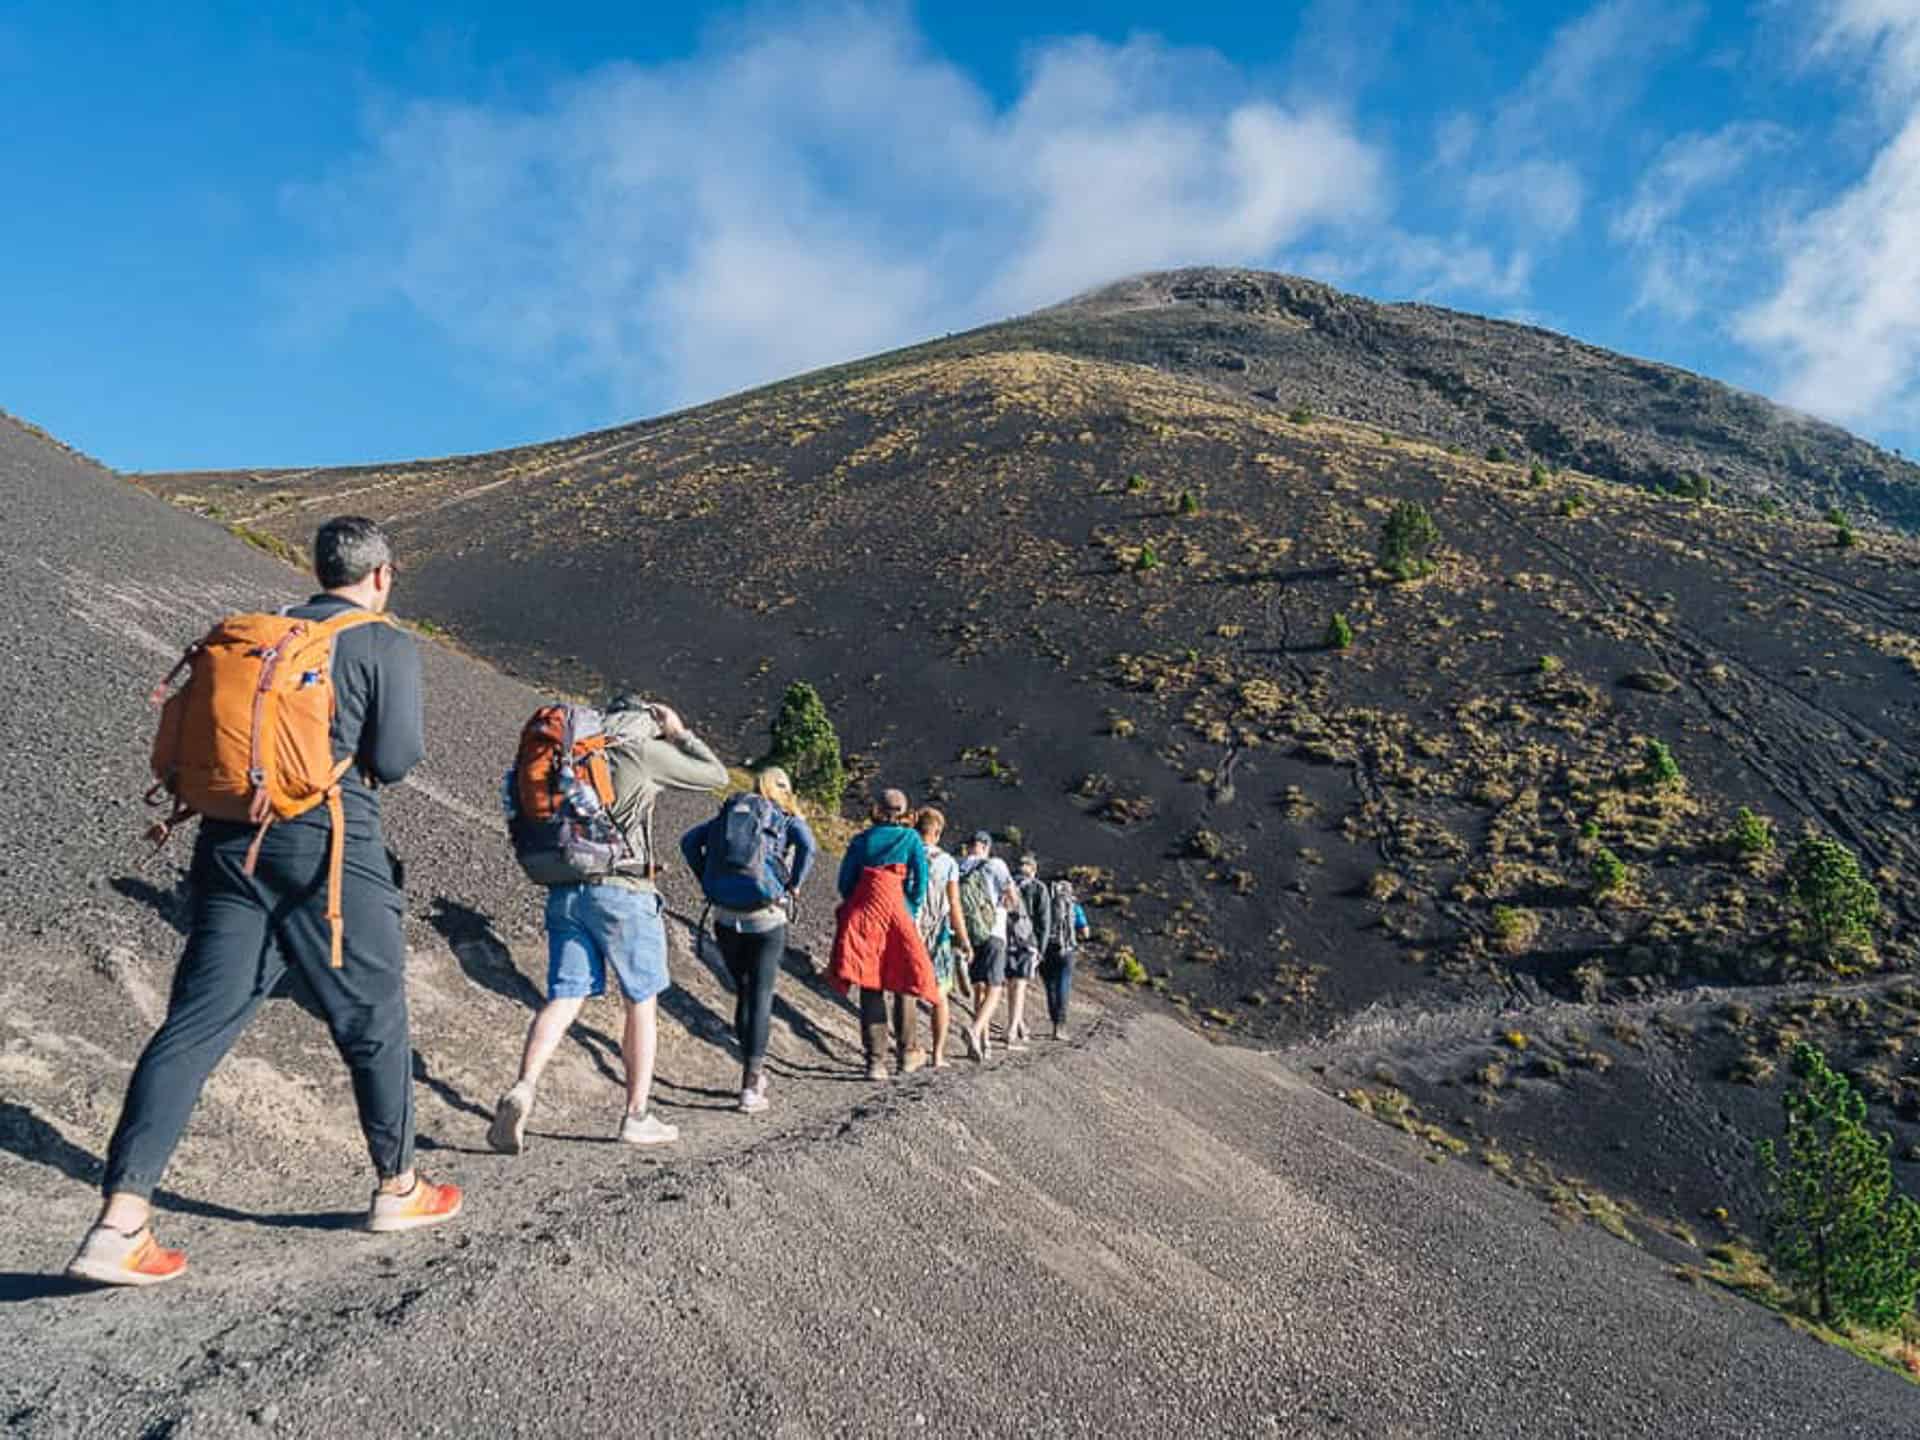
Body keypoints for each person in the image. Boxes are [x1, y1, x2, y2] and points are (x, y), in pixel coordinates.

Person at [68, 517, 457, 1288]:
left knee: (195, 1022)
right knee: (373, 1014)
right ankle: (399, 1186)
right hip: (330, 847)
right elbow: (395, 759)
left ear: (319, 570)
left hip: (228, 841)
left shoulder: (263, 633)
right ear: (382, 575)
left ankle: (119, 1223)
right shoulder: (382, 642)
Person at [489, 693, 727, 1153]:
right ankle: (636, 1114)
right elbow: (715, 775)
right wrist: (679, 733)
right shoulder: (643, 752)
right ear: (645, 721)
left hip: (565, 889)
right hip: (624, 892)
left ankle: (524, 1087)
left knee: (565, 996)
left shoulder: (574, 755)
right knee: (641, 1001)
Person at [680, 766, 817, 1114]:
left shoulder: (731, 815)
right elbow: (808, 846)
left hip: (725, 917)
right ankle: (750, 1085)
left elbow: (688, 842)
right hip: (766, 917)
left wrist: (706, 879)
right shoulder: (785, 820)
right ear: (784, 790)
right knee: (761, 995)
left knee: (743, 991)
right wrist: (794, 885)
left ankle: (750, 1072)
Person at [825, 789, 940, 1080]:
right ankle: (907, 1053)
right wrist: (909, 907)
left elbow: (845, 882)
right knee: (905, 979)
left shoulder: (862, 840)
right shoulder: (911, 839)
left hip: (865, 913)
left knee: (870, 981)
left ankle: (875, 1061)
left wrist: (860, 902)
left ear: (877, 808)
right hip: (897, 911)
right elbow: (920, 882)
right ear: (905, 811)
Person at [913, 807, 973, 1068]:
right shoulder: (947, 862)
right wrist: (964, 939)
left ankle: (908, 1048)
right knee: (940, 996)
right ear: (936, 833)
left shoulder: (906, 853)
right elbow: (954, 903)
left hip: (909, 931)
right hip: (937, 934)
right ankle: (938, 1055)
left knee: (906, 992)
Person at [958, 831, 1016, 1061]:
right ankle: (975, 1030)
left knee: (979, 987)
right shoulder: (996, 864)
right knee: (995, 987)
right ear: (986, 846)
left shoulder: (961, 866)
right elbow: (1012, 897)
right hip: (994, 932)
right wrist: (1007, 905)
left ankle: (983, 1042)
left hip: (970, 934)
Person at [1007, 853, 1053, 1050]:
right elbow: (1044, 922)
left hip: (1007, 939)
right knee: (1020, 985)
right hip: (1028, 941)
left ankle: (1017, 1024)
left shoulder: (1008, 883)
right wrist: (1041, 949)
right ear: (1034, 870)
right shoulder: (1039, 888)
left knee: (1011, 984)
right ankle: (1012, 1029)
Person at [1040, 875, 1090, 1040]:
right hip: (1067, 950)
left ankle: (1054, 1021)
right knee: (1063, 985)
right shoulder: (1074, 906)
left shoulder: (1045, 904)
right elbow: (1086, 932)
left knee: (1050, 987)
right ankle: (1060, 1026)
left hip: (1047, 949)